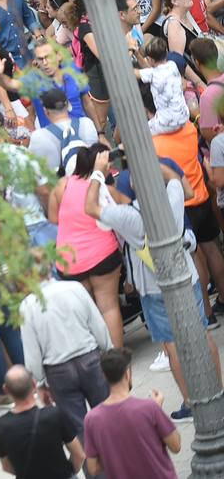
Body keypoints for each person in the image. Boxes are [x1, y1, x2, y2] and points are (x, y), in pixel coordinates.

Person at [84, 157, 221, 422]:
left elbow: (90, 206)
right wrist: (151, 163)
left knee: (172, 346)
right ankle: (219, 392)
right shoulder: (171, 196)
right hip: (186, 276)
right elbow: (182, 184)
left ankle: (191, 404)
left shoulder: (128, 217)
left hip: (153, 289)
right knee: (202, 332)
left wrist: (98, 174)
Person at [17, 269, 111, 436]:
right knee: (108, 416)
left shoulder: (27, 306)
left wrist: (39, 382)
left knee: (79, 427)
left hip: (58, 370)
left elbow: (32, 353)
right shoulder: (75, 288)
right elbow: (98, 325)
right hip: (89, 357)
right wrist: (109, 352)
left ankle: (93, 459)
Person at [48, 145, 124, 346]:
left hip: (69, 262)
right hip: (102, 255)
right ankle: (118, 364)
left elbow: (53, 218)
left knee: (86, 314)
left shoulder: (62, 185)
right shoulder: (106, 190)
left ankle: (96, 362)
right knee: (109, 307)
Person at [82, 348, 181, 479]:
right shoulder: (149, 408)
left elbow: (93, 468)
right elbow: (176, 446)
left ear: (104, 376)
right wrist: (157, 410)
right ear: (127, 374)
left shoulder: (92, 419)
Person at [0, 365, 84, 479]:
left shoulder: (1, 426)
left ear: (6, 389)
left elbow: (6, 466)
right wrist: (69, 473)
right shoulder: (54, 415)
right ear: (34, 384)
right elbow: (79, 455)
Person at [137, 34, 189, 135]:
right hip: (184, 116)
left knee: (140, 134)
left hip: (166, 124)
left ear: (150, 60)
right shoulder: (172, 65)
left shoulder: (153, 74)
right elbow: (149, 69)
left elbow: (135, 72)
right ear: (166, 52)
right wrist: (136, 53)